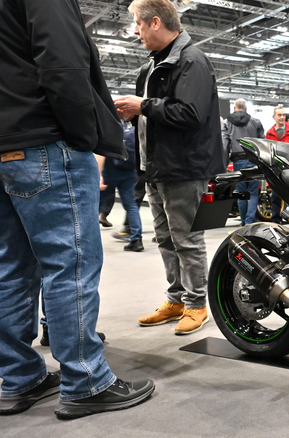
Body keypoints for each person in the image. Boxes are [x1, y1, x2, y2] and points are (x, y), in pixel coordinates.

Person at [0, 0, 154, 419]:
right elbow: (63, 63)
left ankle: (17, 379)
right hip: (46, 142)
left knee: (12, 268)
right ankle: (86, 381)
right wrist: (83, 135)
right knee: (70, 264)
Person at [114, 0, 223, 335]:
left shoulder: (192, 61)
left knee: (187, 240)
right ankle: (176, 298)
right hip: (156, 168)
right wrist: (139, 112)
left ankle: (196, 304)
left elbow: (190, 114)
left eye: (138, 24)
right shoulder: (155, 64)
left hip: (184, 169)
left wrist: (143, 105)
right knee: (165, 239)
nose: (136, 31)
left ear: (156, 22)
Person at [98, 122, 144, 251]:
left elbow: (102, 153)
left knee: (94, 206)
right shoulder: (134, 129)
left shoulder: (108, 127)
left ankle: (86, 241)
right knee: (131, 206)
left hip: (109, 174)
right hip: (129, 173)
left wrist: (99, 174)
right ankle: (136, 240)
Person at [223, 98, 265, 226]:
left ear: (234, 108)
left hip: (237, 161)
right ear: (246, 109)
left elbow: (224, 144)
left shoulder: (227, 123)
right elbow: (263, 142)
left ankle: (243, 222)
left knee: (241, 193)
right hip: (253, 160)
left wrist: (224, 164)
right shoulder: (256, 122)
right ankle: (249, 222)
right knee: (253, 193)